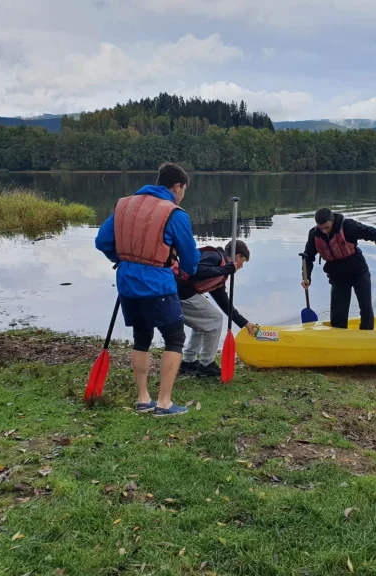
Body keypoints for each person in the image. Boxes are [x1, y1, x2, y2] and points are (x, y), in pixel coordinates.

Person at [95, 162, 200, 417]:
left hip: (127, 284)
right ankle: (164, 402)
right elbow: (191, 260)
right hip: (158, 285)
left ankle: (143, 399)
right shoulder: (174, 213)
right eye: (184, 189)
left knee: (141, 338)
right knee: (175, 338)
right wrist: (184, 268)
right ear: (178, 186)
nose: (183, 194)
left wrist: (121, 259)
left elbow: (102, 241)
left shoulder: (124, 204)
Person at [301, 207, 376, 330]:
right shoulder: (314, 234)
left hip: (359, 272)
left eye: (327, 227)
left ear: (332, 220)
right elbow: (307, 257)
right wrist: (307, 277)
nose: (324, 231)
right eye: (321, 228)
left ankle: (368, 336)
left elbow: (374, 233)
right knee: (338, 315)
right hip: (338, 277)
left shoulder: (348, 227)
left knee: (365, 308)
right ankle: (340, 339)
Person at [176, 239, 259, 377]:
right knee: (215, 320)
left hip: (183, 295)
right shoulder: (215, 257)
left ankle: (188, 362)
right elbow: (196, 270)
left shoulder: (219, 273)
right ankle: (206, 365)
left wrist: (245, 324)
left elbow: (225, 304)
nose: (241, 266)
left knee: (203, 323)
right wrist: (225, 269)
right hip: (180, 294)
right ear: (237, 256)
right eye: (242, 262)